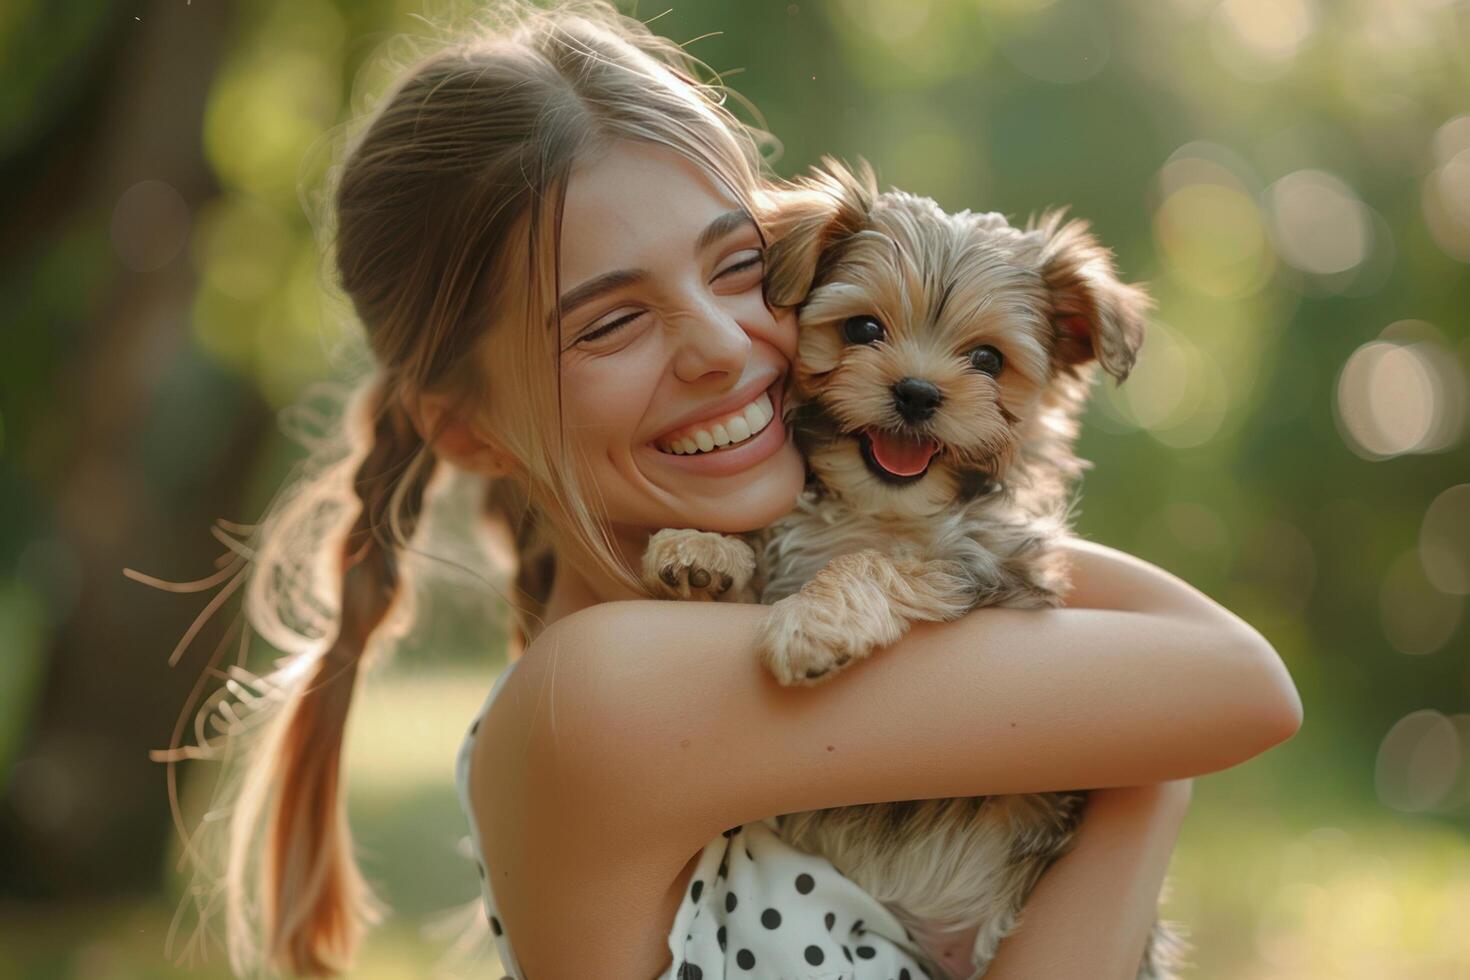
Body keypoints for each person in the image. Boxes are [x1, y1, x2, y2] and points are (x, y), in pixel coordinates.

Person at [163, 2, 1302, 978]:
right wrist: (1135, 750)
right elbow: (1236, 684)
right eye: (610, 319)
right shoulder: (606, 689)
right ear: (466, 427)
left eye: (738, 269)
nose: (721, 346)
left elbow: (1191, 675)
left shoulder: (652, 647)